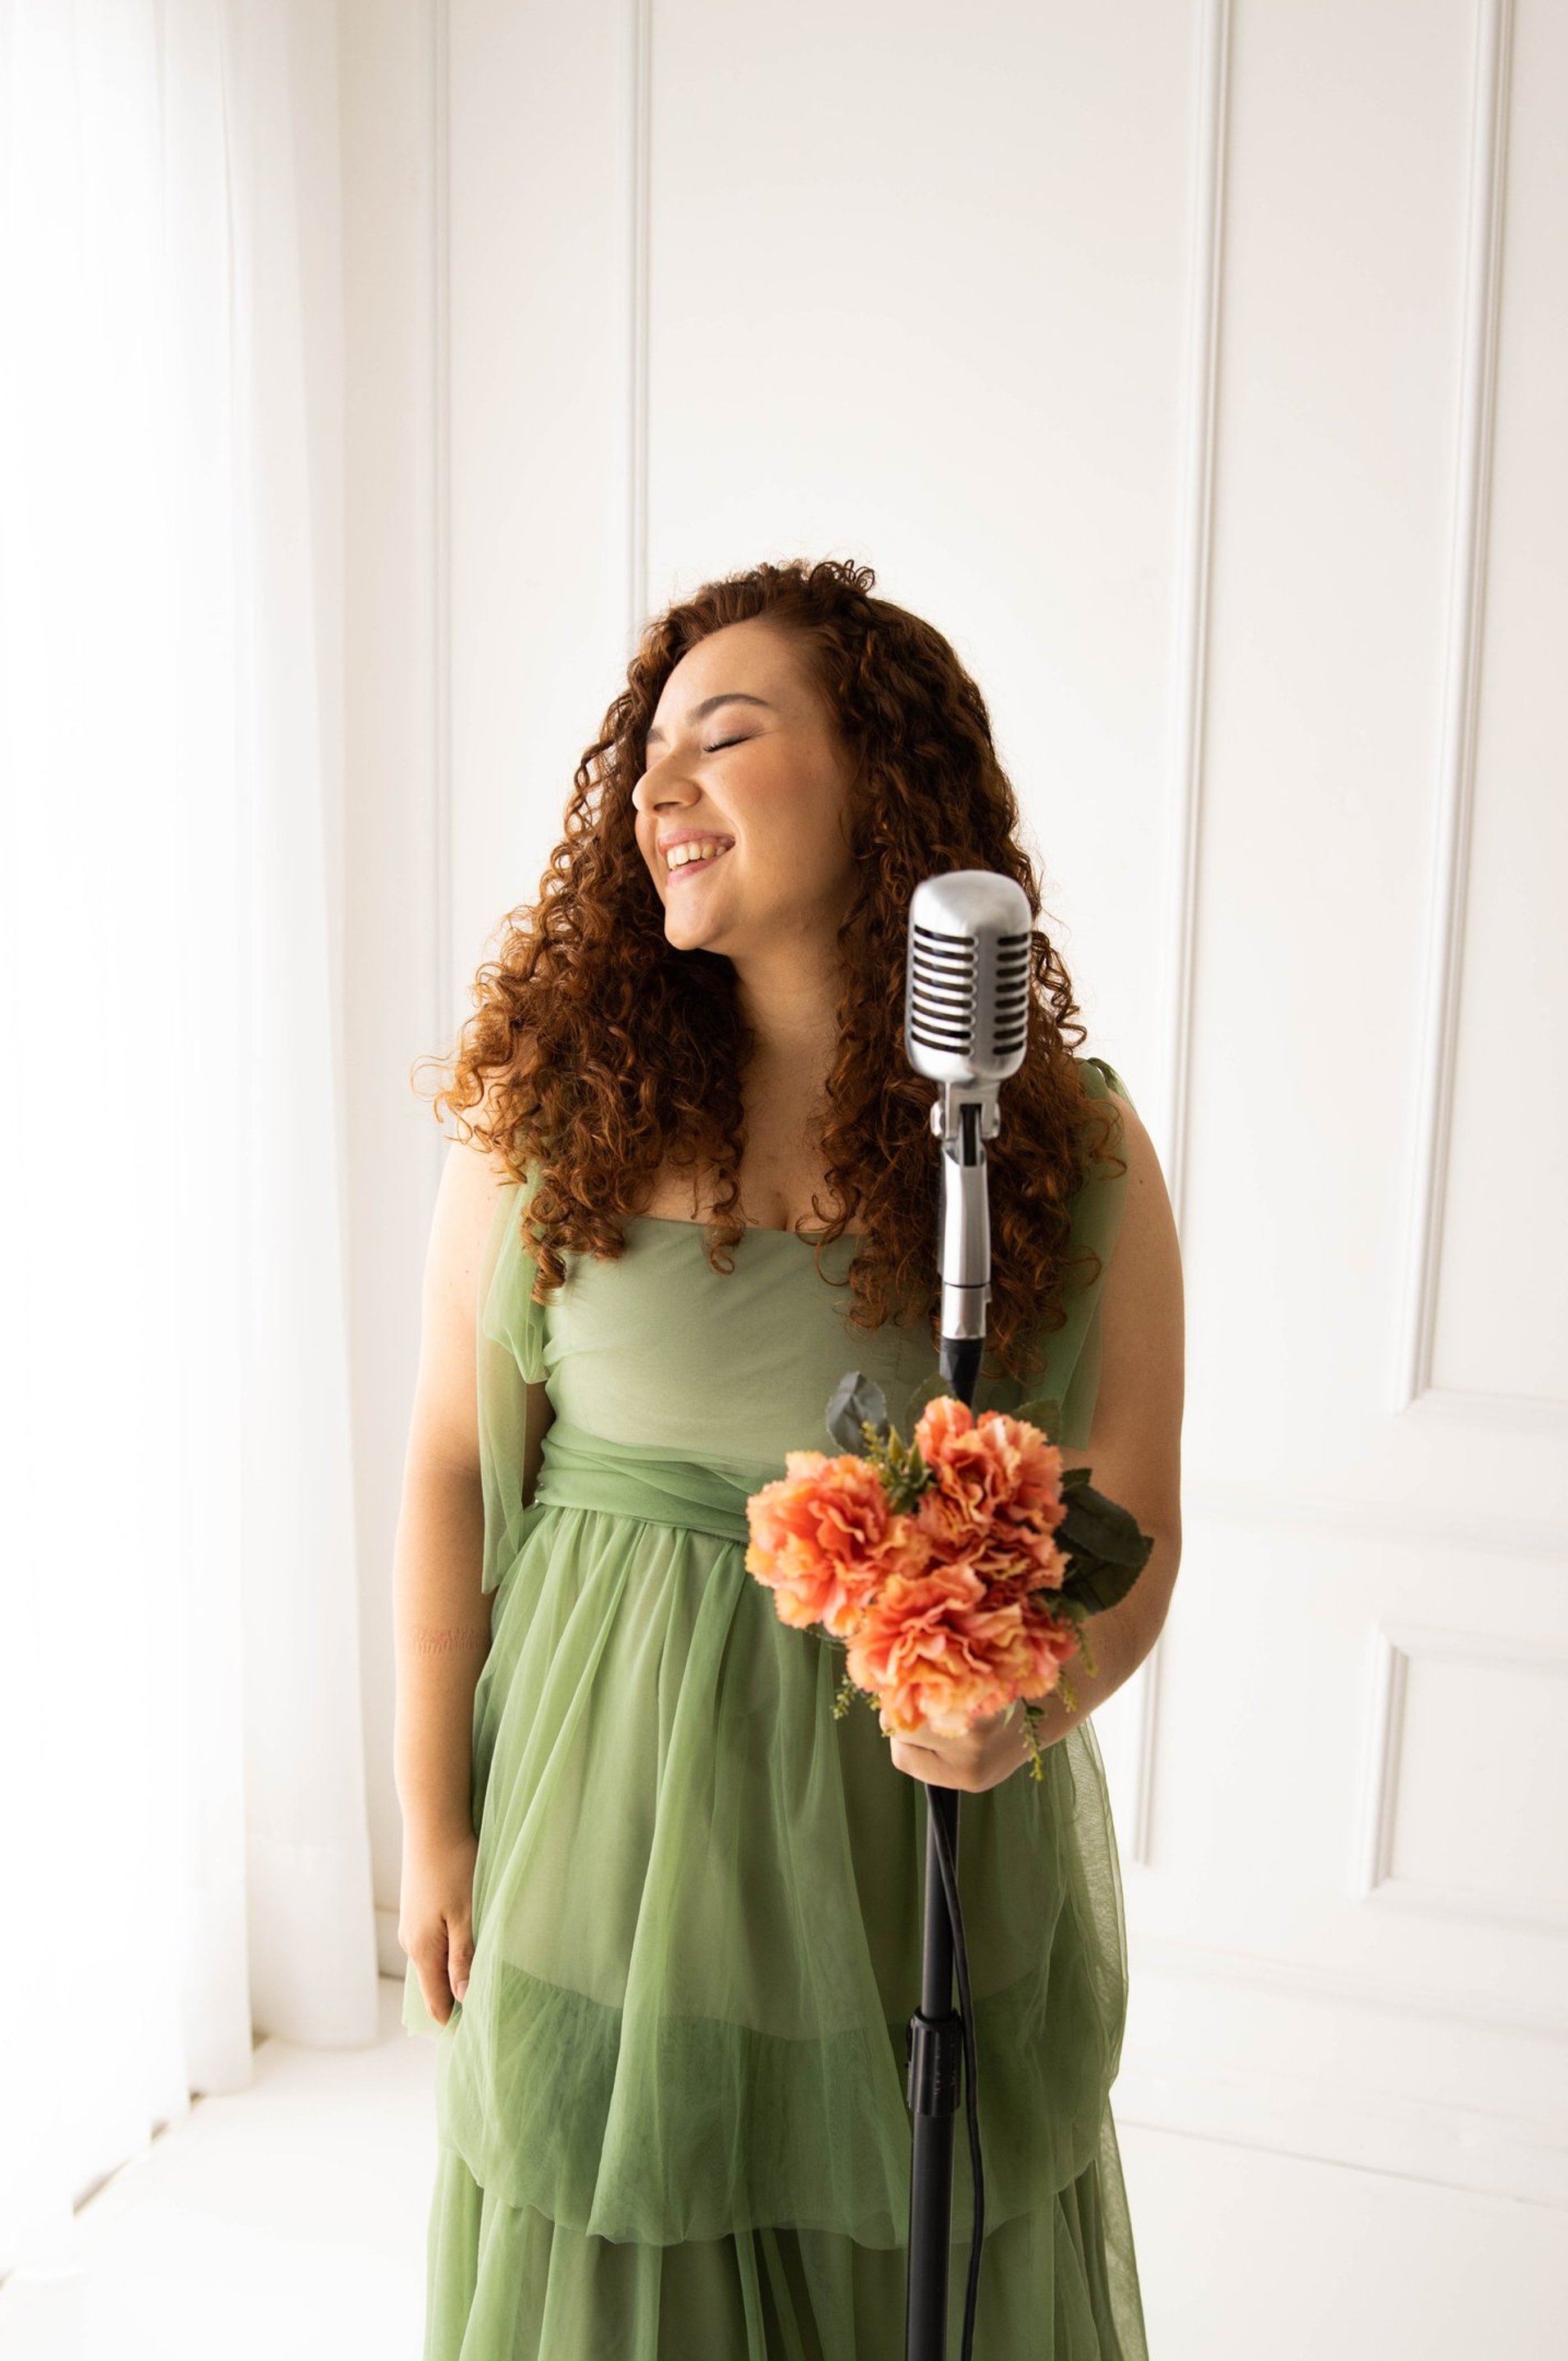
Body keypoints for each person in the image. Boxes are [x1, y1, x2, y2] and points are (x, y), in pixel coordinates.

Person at [393, 556, 1184, 2359]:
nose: (658, 790)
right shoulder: (543, 1113)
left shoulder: (1062, 1147)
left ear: (883, 781)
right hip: (604, 1844)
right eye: (644, 754)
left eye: (725, 737)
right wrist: (431, 1818)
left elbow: (1136, 1518)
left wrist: (1031, 1710)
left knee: (907, 2271)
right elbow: (453, 1462)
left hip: (905, 1861)